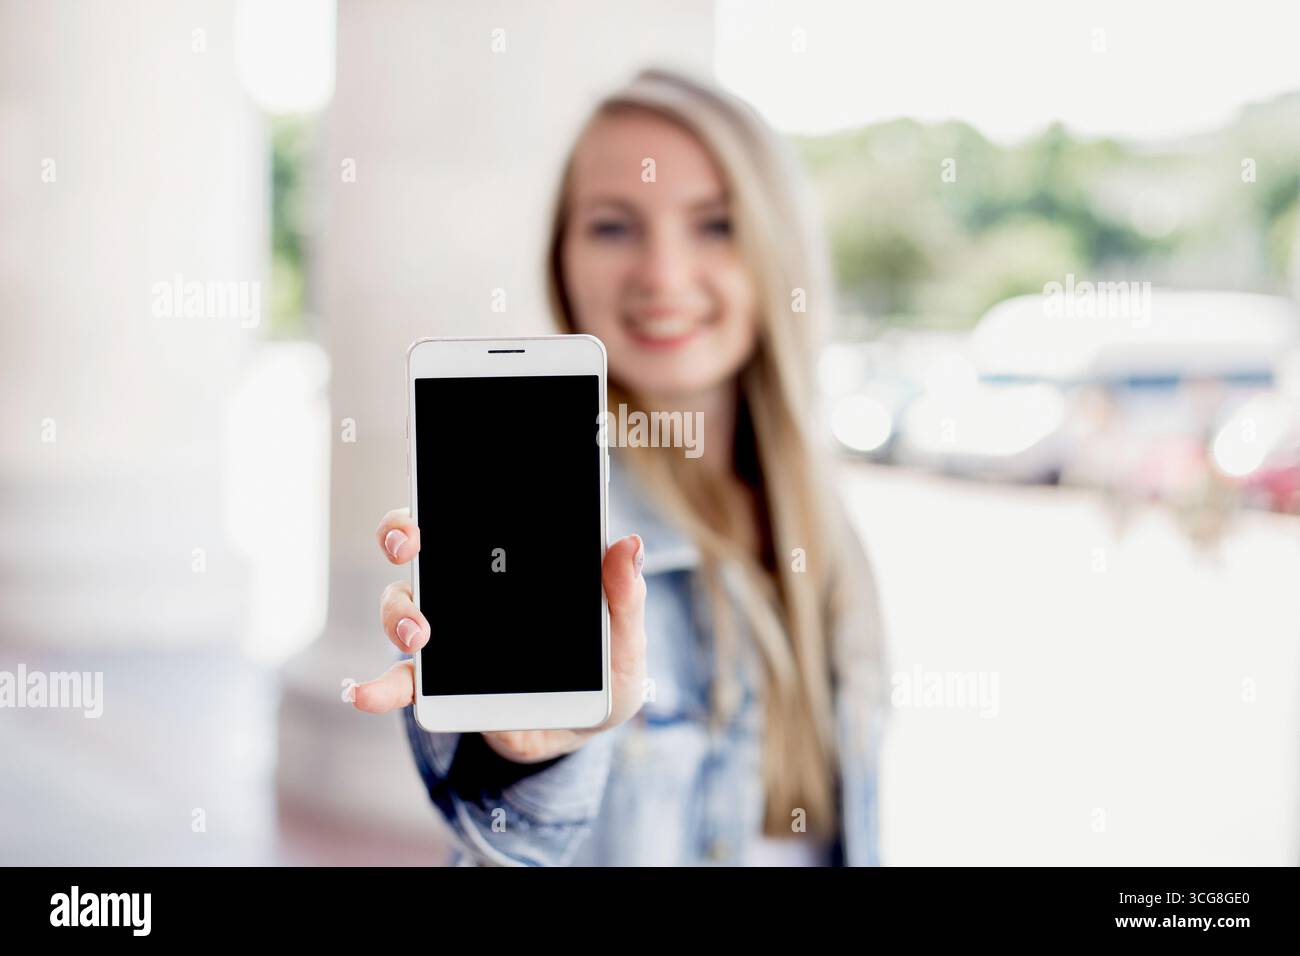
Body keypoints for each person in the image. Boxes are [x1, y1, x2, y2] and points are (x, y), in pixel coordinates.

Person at [351, 68, 888, 866]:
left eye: (715, 225)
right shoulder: (552, 529)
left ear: (780, 249)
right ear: (561, 256)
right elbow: (509, 841)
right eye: (612, 226)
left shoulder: (822, 522)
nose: (663, 276)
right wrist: (528, 758)